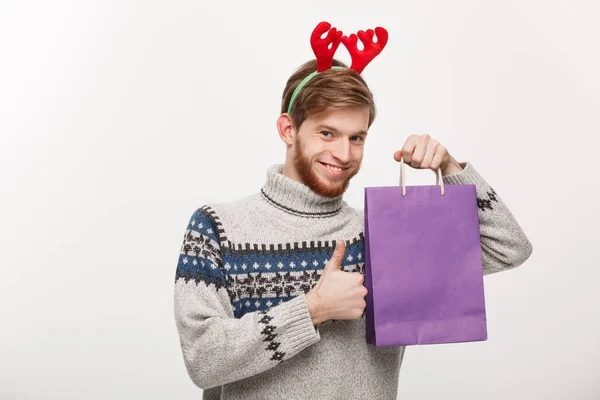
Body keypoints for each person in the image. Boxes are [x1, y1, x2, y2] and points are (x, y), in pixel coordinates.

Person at [173, 22, 533, 400]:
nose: (344, 155)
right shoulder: (218, 227)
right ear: (287, 129)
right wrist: (312, 309)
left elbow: (508, 248)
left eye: (356, 137)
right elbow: (202, 359)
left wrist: (451, 168)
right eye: (327, 133)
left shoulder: (385, 235)